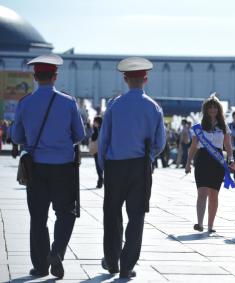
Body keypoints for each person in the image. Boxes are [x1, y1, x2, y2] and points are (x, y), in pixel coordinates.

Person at [12, 54, 85, 278]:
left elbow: (16, 137)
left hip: (36, 168)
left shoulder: (25, 103)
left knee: (38, 217)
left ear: (35, 77)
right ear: (55, 76)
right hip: (63, 168)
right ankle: (57, 252)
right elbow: (79, 135)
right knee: (66, 212)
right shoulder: (68, 102)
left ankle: (41, 266)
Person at [98, 57, 166, 278]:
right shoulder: (154, 107)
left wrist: (103, 165)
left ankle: (111, 261)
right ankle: (127, 265)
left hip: (115, 166)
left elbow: (104, 139)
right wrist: (148, 157)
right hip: (140, 166)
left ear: (125, 79)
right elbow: (160, 143)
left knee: (111, 214)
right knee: (136, 215)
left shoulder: (114, 105)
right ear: (145, 79)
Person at [185, 94, 235, 233]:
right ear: (206, 110)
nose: (213, 110)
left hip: (217, 161)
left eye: (215, 107)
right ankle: (200, 223)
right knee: (202, 192)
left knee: (214, 194)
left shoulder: (224, 127)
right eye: (210, 107)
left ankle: (210, 225)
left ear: (219, 109)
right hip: (202, 159)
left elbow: (228, 145)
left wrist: (231, 160)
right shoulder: (199, 127)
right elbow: (193, 146)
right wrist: (188, 162)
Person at [89, 116, 103, 188]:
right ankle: (100, 179)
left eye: (94, 121)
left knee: (99, 167)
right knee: (98, 167)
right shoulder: (97, 129)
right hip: (97, 151)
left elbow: (94, 138)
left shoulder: (100, 130)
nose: (93, 123)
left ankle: (100, 180)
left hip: (98, 151)